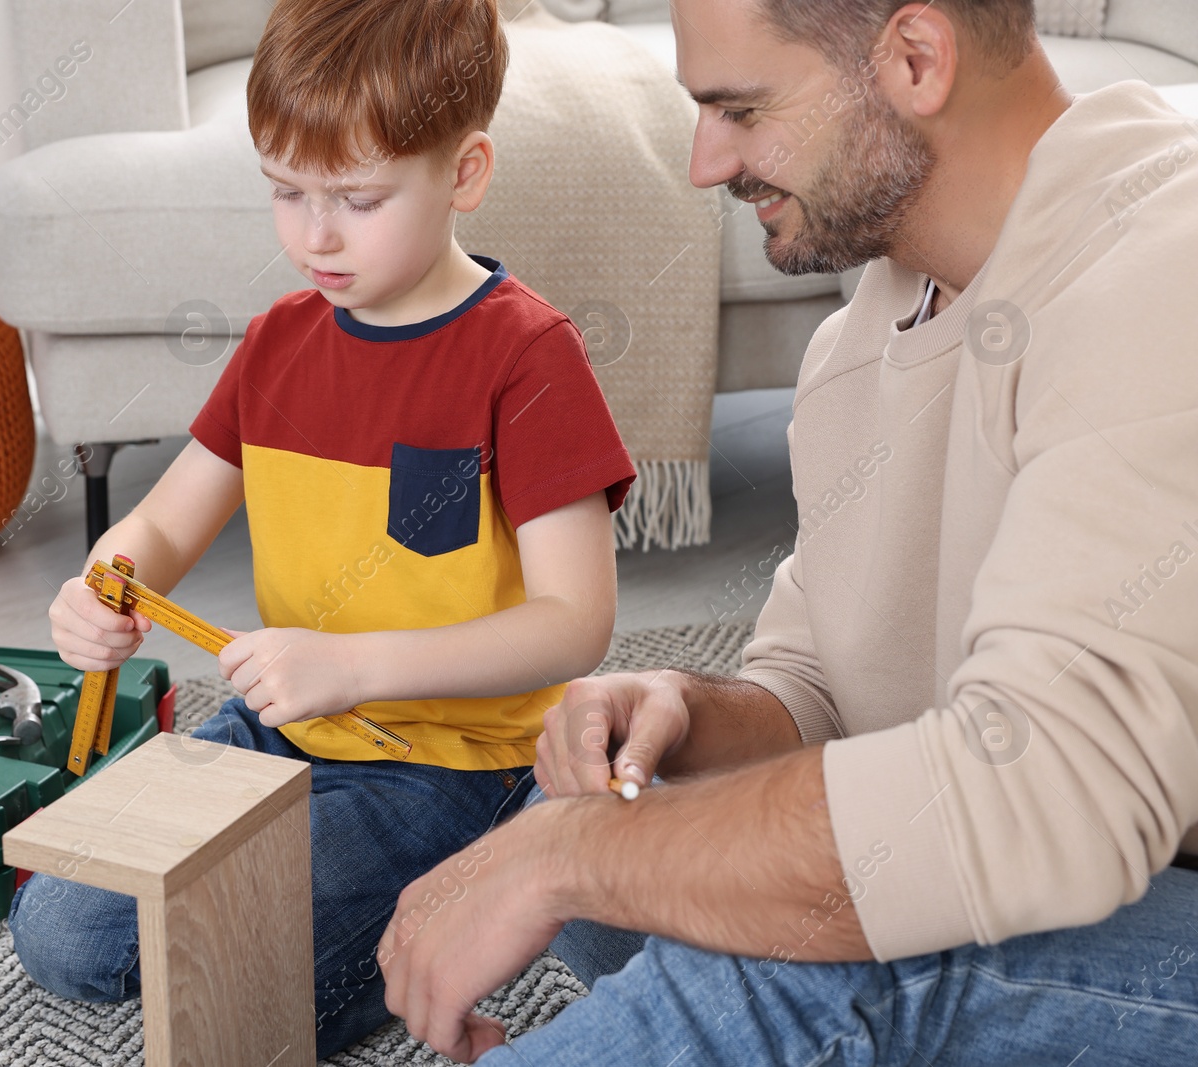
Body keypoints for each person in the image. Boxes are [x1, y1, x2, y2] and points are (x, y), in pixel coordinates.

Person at [377, 0, 1198, 1063]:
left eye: (740, 109)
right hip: (1075, 870)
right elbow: (823, 689)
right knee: (605, 799)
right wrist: (680, 710)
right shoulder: (864, 336)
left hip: (1139, 879)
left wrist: (566, 858)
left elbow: (1039, 801)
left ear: (914, 58)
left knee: (813, 946)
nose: (703, 164)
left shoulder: (1160, 263)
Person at [6, 0, 636, 1057]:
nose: (314, 234)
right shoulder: (277, 342)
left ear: (464, 174)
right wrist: (102, 585)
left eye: (356, 198)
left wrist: (352, 664)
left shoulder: (526, 356)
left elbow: (576, 623)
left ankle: (490, 894)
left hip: (459, 767)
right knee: (61, 932)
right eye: (285, 192)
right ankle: (437, 934)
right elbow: (161, 523)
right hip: (278, 736)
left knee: (228, 997)